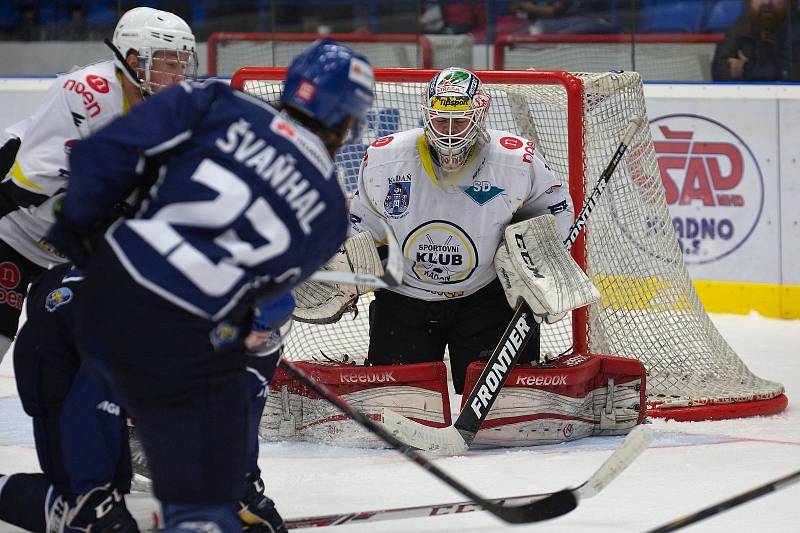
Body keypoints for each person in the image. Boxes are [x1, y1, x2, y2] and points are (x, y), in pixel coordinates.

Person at [45, 38, 374, 532]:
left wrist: (83, 234)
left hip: (110, 289)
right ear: (347, 119)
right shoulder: (329, 207)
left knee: (104, 366)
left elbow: (102, 153)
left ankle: (91, 497)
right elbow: (261, 294)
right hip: (183, 335)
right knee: (236, 371)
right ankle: (222, 494)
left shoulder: (218, 101)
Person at [0, 261, 294, 532]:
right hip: (56, 348)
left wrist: (243, 487)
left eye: (268, 337)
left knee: (114, 491)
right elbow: (90, 410)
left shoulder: (258, 337)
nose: (261, 344)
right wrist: (94, 501)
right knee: (85, 509)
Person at [349, 67, 575, 394]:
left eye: (460, 120)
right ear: (426, 115)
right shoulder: (385, 158)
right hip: (404, 298)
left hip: (486, 297)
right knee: (399, 404)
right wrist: (348, 264)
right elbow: (363, 225)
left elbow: (554, 209)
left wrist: (543, 264)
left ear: (480, 116)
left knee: (505, 407)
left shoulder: (516, 160)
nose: (450, 132)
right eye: (441, 120)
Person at [0, 6, 197, 362]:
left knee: (85, 361)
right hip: (13, 232)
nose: (178, 75)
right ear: (134, 60)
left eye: (183, 64)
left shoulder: (174, 116)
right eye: (169, 63)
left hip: (69, 254)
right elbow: (28, 185)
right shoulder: (87, 93)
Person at [712, 0, 800, 81]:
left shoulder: (796, 29)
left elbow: (789, 75)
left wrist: (745, 69)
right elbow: (718, 70)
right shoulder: (741, 26)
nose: (767, 2)